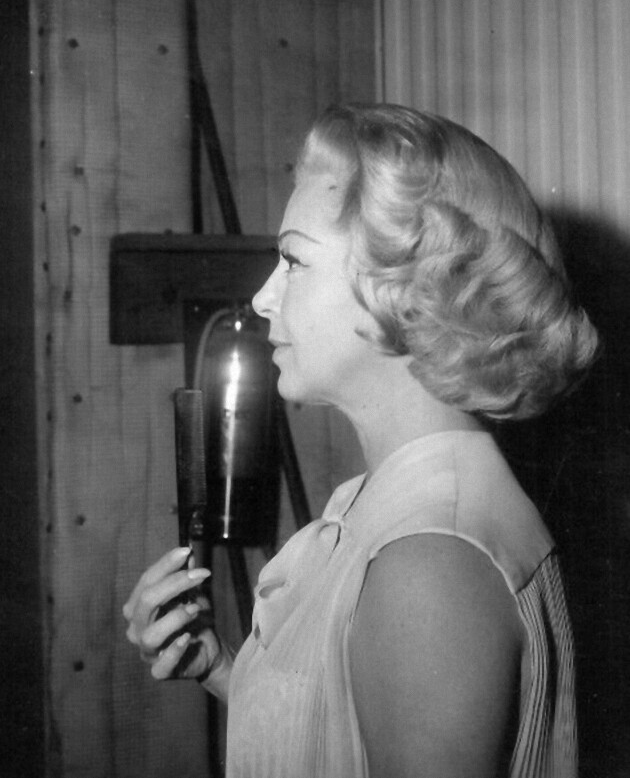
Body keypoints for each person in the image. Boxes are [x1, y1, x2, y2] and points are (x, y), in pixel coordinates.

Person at [124, 104, 598, 777]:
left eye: (293, 260)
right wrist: (223, 668)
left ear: (401, 292)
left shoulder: (427, 563)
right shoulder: (398, 507)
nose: (262, 298)